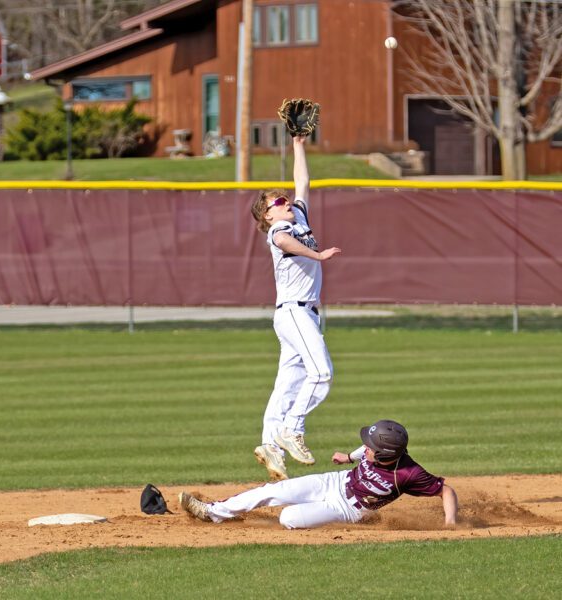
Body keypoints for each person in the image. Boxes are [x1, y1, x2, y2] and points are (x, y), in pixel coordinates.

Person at [249, 135, 342, 481]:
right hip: (294, 312)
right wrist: (317, 255)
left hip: (302, 316)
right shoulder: (278, 230)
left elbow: (302, 182)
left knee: (288, 383)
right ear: (267, 213)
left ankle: (270, 443)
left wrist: (298, 144)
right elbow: (285, 242)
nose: (287, 202)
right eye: (279, 201)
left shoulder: (298, 217)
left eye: (285, 199)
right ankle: (292, 429)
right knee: (322, 374)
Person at [179, 420, 458, 530]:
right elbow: (364, 449)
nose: (366, 448)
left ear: (387, 454)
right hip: (334, 481)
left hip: (349, 509)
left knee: (287, 517)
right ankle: (213, 512)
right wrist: (348, 458)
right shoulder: (377, 450)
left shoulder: (409, 473)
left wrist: (450, 522)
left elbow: (446, 490)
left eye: (371, 448)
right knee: (271, 491)